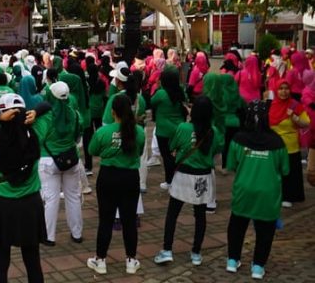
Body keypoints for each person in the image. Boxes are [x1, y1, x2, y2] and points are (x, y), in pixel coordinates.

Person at [0, 93, 46, 283]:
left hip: (2, 206)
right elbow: (50, 106)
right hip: (30, 204)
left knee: (0, 266)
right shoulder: (37, 130)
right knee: (33, 263)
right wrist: (36, 112)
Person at [154, 96, 223, 266]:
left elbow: (172, 146)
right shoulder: (213, 131)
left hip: (183, 176)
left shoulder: (183, 127)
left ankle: (167, 250)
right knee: (200, 215)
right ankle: (196, 253)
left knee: (173, 214)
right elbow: (216, 150)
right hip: (203, 176)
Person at [226, 100, 289, 279]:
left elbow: (231, 165)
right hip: (268, 194)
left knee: (237, 226)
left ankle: (232, 260)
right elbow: (285, 169)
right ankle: (258, 266)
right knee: (265, 231)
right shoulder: (277, 141)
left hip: (243, 190)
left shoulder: (238, 139)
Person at [87, 94, 145, 275]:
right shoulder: (139, 132)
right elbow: (140, 151)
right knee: (129, 220)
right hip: (130, 179)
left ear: (112, 112)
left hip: (108, 178)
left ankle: (101, 260)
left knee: (105, 220)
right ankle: (131, 260)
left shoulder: (103, 132)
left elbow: (92, 150)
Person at [33, 82, 83, 246]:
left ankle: (49, 236)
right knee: (73, 197)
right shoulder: (75, 114)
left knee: (51, 199)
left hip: (48, 160)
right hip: (71, 159)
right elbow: (78, 138)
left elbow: (37, 139)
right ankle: (77, 233)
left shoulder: (44, 117)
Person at [268, 79, 309, 208]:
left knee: (289, 173)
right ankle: (274, 195)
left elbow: (306, 123)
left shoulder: (294, 105)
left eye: (286, 88)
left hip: (290, 146)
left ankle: (289, 196)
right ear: (276, 90)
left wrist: (294, 117)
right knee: (274, 173)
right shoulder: (270, 105)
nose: (284, 91)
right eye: (281, 88)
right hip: (273, 146)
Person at [151, 66, 187, 190]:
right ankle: (180, 179)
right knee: (178, 155)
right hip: (179, 129)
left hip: (163, 131)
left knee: (166, 156)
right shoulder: (181, 91)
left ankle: (169, 181)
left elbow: (152, 102)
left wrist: (158, 87)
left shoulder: (161, 93)